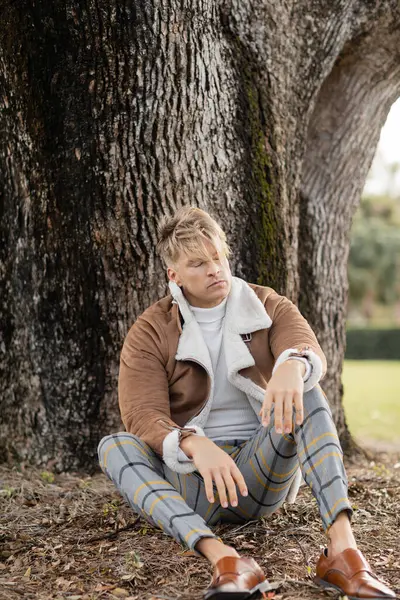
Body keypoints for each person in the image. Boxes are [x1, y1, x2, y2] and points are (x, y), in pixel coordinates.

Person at [98, 207, 394, 600]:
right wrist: (192, 443)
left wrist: (292, 364)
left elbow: (300, 341)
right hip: (194, 483)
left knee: (306, 383)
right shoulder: (151, 329)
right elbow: (141, 414)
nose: (214, 269)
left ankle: (344, 551)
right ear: (174, 275)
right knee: (113, 446)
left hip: (258, 474)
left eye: (217, 257)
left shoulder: (265, 303)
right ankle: (226, 560)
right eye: (197, 263)